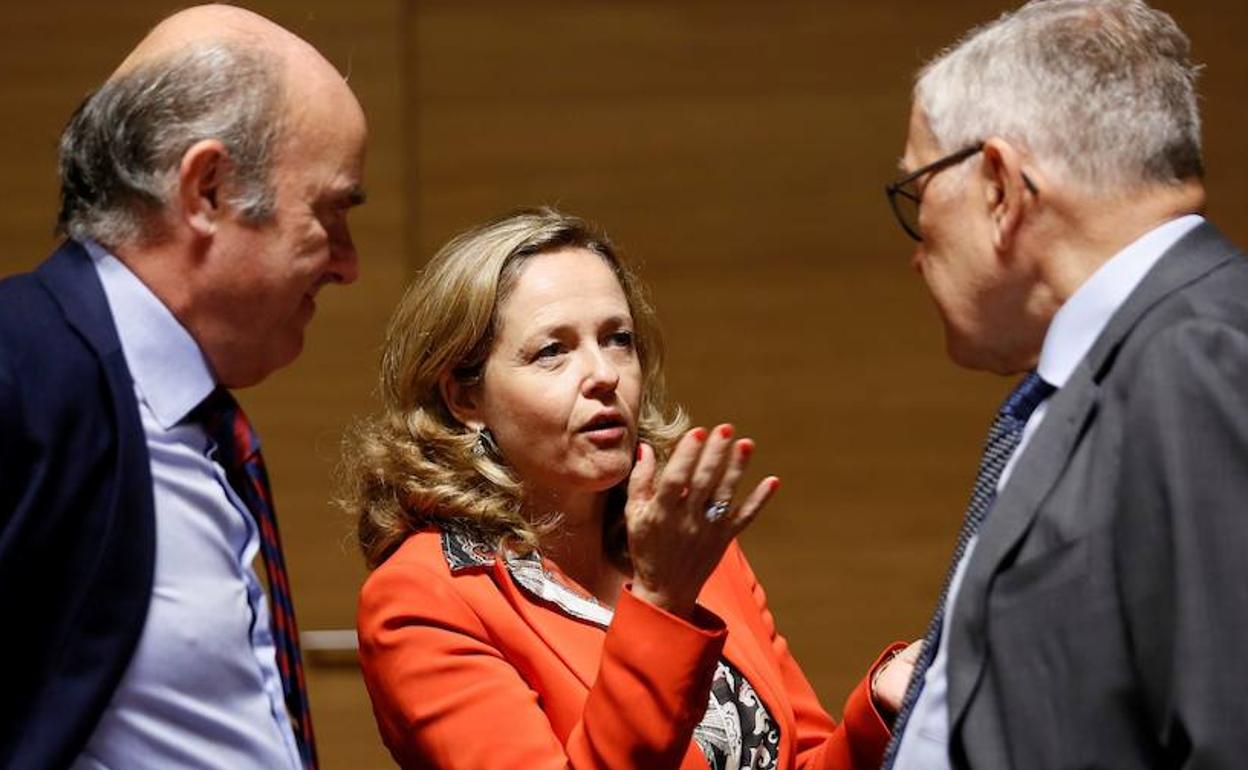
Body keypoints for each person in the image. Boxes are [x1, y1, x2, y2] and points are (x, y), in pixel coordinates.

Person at [344, 208, 918, 770]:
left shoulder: (685, 544)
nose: (604, 375)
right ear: (465, 398)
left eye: (618, 339)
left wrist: (880, 712)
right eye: (553, 351)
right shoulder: (423, 599)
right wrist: (661, 606)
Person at [879, 1, 1248, 768]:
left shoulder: (1196, 358)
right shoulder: (1125, 360)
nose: (916, 253)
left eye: (918, 193)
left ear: (1001, 185)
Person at [0, 6, 367, 769]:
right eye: (331, 213)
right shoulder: (17, 364)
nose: (347, 262)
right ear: (209, 190)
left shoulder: (196, 421)